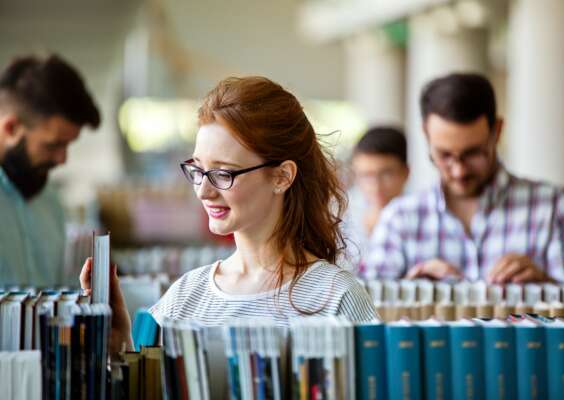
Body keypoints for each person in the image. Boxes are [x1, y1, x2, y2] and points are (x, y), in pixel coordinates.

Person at [81, 76, 378, 353]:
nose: (203, 191)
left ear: (282, 176)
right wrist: (121, 349)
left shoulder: (337, 298)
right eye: (198, 170)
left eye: (223, 173)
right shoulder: (185, 297)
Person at [364, 73, 564, 295]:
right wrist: (409, 293)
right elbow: (367, 310)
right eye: (445, 155)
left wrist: (545, 286)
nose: (459, 170)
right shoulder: (399, 219)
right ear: (426, 135)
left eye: (473, 153)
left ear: (497, 131)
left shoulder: (555, 209)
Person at [0, 54, 100, 287]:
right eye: (53, 144)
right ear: (12, 128)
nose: (62, 159)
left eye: (68, 145)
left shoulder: (50, 201)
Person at [344, 127, 409, 271]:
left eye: (386, 174)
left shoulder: (422, 219)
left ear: (405, 172)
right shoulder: (342, 217)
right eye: (366, 175)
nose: (376, 185)